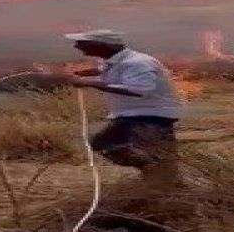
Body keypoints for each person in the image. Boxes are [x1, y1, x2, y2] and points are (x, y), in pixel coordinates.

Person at [58, 29, 184, 190]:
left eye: (82, 44)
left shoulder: (137, 63)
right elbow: (107, 70)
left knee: (154, 154)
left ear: (101, 46)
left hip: (150, 116)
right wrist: (80, 74)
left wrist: (88, 83)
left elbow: (139, 90)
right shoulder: (118, 60)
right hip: (134, 115)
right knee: (103, 144)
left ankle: (162, 185)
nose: (77, 46)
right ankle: (157, 175)